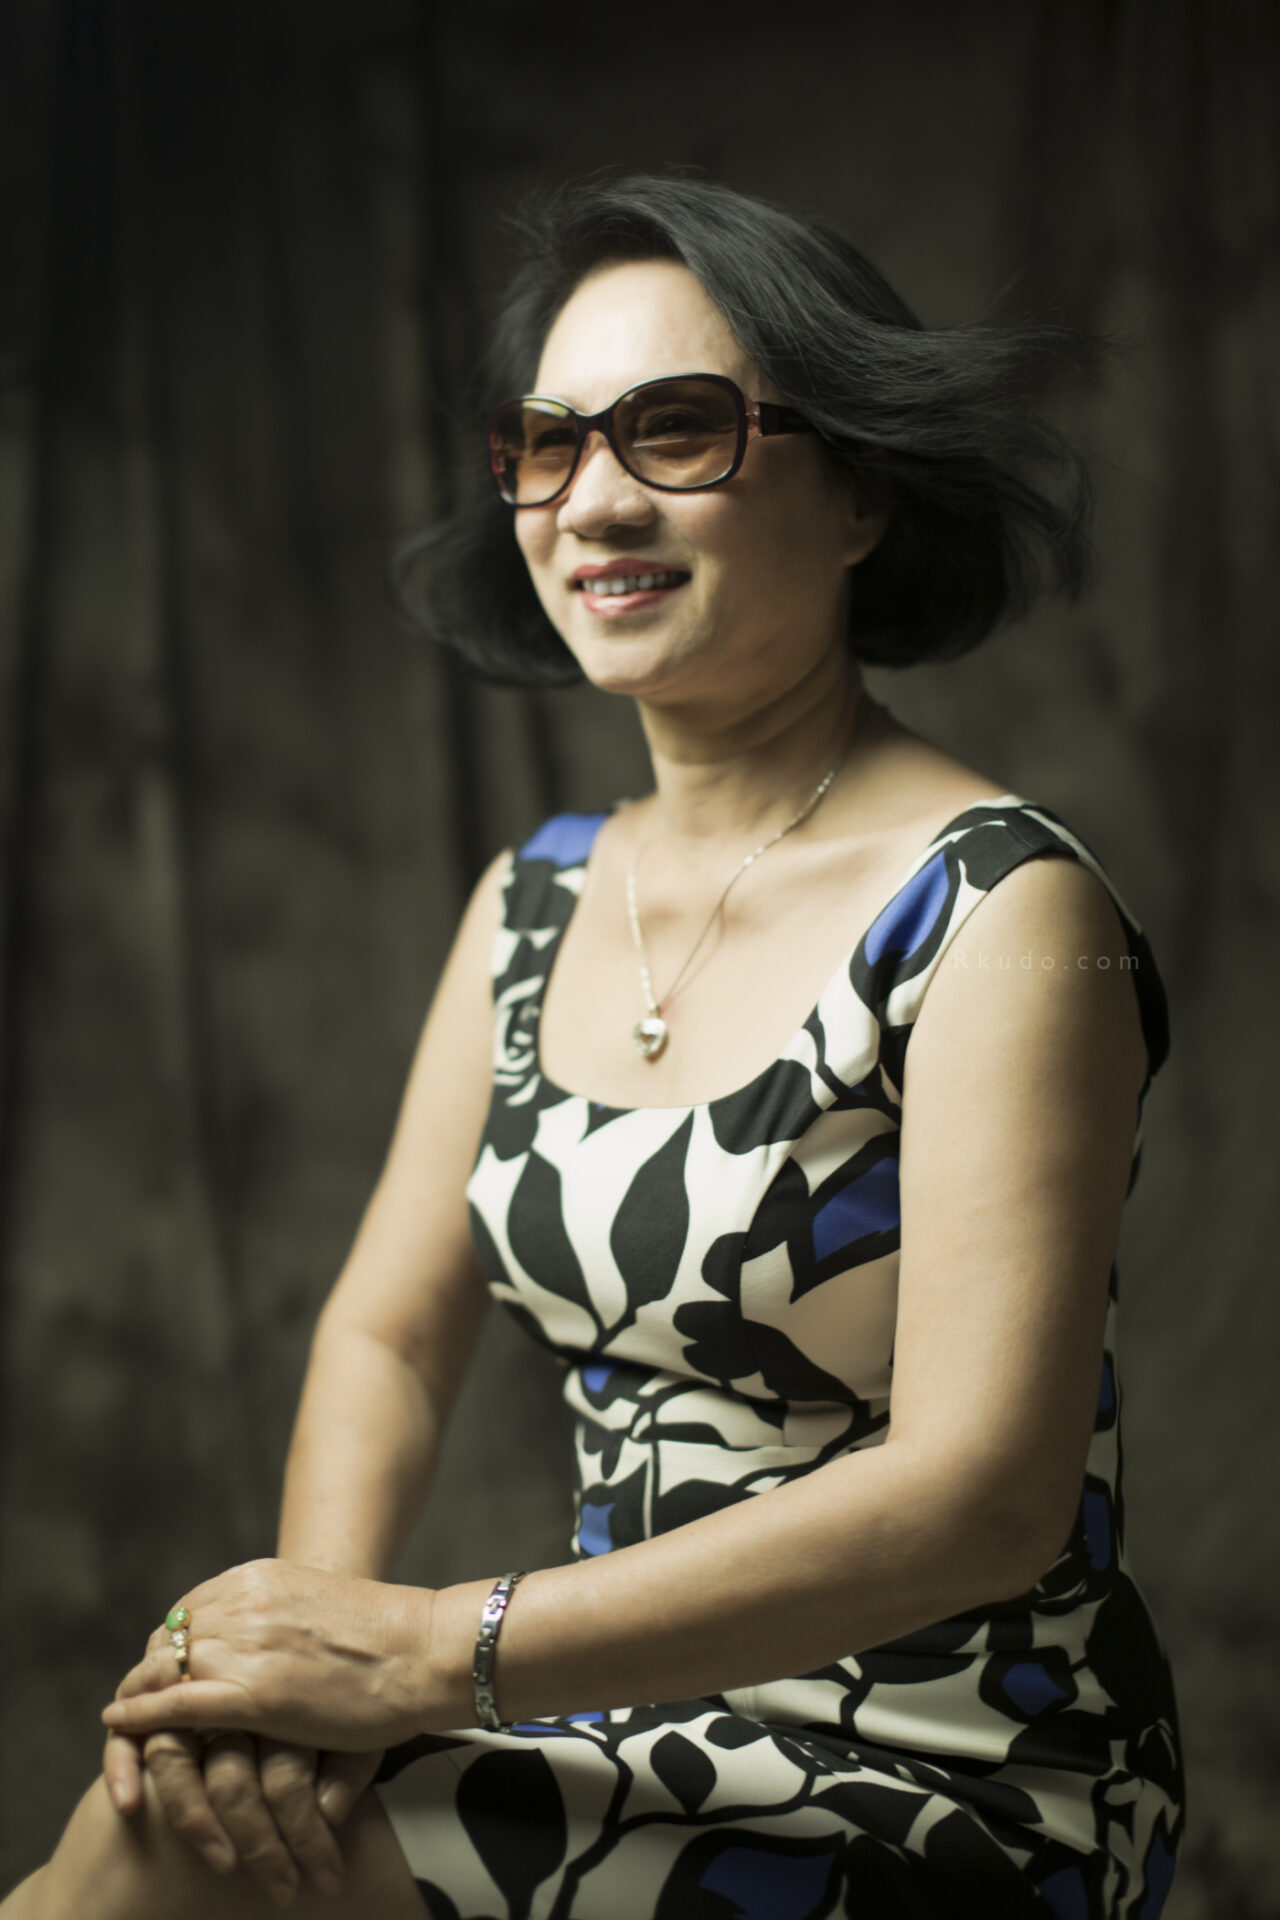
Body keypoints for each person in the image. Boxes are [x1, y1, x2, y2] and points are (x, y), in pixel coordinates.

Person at [2, 170, 1185, 1920]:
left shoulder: (1005, 911)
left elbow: (984, 1501)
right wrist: (303, 1667)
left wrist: (422, 1657)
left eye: (679, 429)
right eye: (545, 446)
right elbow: (388, 1335)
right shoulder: (536, 897)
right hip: (605, 1707)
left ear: (861, 490)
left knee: (164, 1869)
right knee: (178, 1824)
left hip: (947, 1763)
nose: (594, 501)